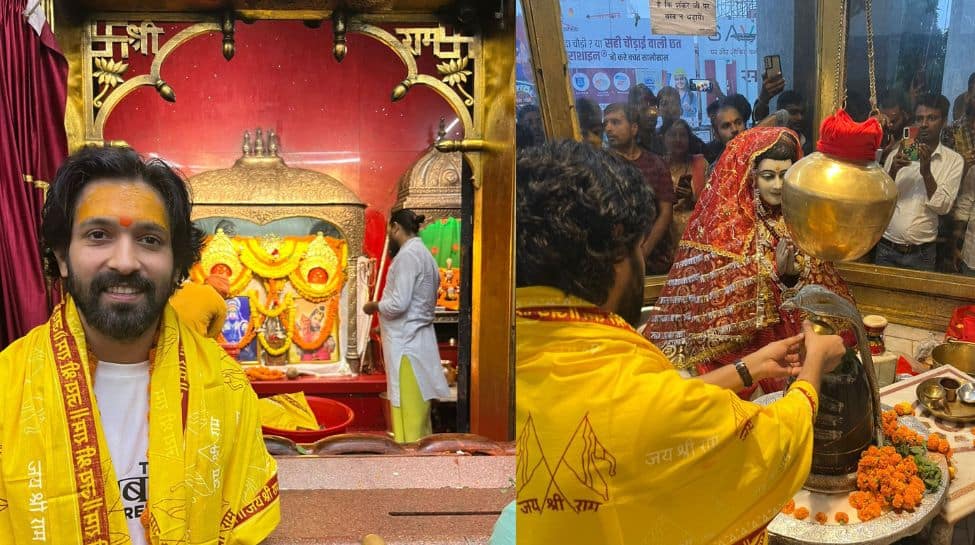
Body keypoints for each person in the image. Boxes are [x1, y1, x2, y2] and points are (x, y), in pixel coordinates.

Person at [516, 139, 846, 545]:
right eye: (639, 246)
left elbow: (651, 402)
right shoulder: (631, 389)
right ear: (619, 250)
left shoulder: (507, 355)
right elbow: (773, 443)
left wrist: (748, 368)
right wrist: (813, 369)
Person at [0, 146, 279, 543]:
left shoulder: (228, 388)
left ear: (177, 262)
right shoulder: (6, 389)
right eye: (99, 235)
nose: (125, 261)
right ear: (62, 257)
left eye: (149, 239)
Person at [647, 127, 853, 398]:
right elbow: (723, 301)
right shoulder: (729, 227)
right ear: (751, 177)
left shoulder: (801, 220)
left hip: (797, 337)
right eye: (769, 176)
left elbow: (821, 284)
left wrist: (792, 276)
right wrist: (772, 273)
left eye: (786, 176)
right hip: (747, 348)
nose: (778, 185)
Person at [363, 209, 449, 442]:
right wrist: (384, 326)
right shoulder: (424, 255)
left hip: (407, 348)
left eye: (389, 230)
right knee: (419, 417)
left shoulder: (408, 257)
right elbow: (416, 305)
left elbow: (399, 304)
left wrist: (374, 306)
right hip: (415, 341)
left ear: (395, 228)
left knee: (409, 418)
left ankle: (411, 470)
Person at [876, 93, 964, 271]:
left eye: (931, 118)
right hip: (886, 248)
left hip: (922, 254)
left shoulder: (954, 161)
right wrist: (892, 171)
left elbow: (943, 207)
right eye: (919, 118)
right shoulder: (896, 155)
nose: (924, 124)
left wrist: (926, 173)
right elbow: (880, 199)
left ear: (944, 121)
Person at [603, 102, 675, 274]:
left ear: (634, 128)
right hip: (614, 258)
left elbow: (666, 212)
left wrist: (643, 252)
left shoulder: (656, 163)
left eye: (615, 122)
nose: (608, 129)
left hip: (654, 255)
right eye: (605, 124)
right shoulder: (600, 165)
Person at [660, 118, 708, 246]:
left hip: (696, 234)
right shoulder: (657, 165)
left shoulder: (700, 164)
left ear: (689, 139)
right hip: (665, 235)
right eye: (672, 135)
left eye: (682, 135)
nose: (678, 139)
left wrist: (692, 198)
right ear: (663, 138)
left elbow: (712, 203)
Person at [169, 273, 229, 338]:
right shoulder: (221, 303)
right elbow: (211, 338)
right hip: (188, 343)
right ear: (223, 293)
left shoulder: (184, 285)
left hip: (163, 335)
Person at [703, 97, 747, 164]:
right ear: (717, 134)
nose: (734, 129)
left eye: (738, 123)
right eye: (726, 126)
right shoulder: (715, 170)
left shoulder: (760, 152)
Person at [878, 89, 912, 164]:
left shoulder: (911, 132)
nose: (889, 126)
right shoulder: (876, 128)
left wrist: (891, 152)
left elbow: (910, 165)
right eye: (885, 121)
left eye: (894, 121)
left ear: (904, 114)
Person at [628, 83, 659, 152]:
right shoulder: (627, 143)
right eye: (644, 110)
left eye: (653, 109)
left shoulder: (661, 138)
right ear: (633, 111)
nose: (651, 114)